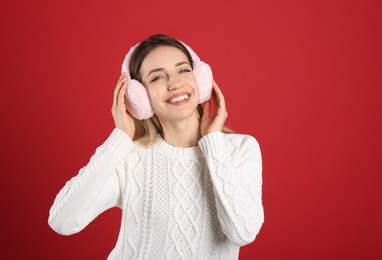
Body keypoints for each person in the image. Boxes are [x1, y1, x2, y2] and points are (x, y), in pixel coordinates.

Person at [48, 34, 264, 260]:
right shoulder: (130, 157)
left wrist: (213, 142)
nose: (174, 83)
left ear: (200, 79)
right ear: (138, 96)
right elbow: (63, 221)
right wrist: (120, 137)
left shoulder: (239, 149)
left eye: (183, 70)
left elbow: (242, 232)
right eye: (157, 77)